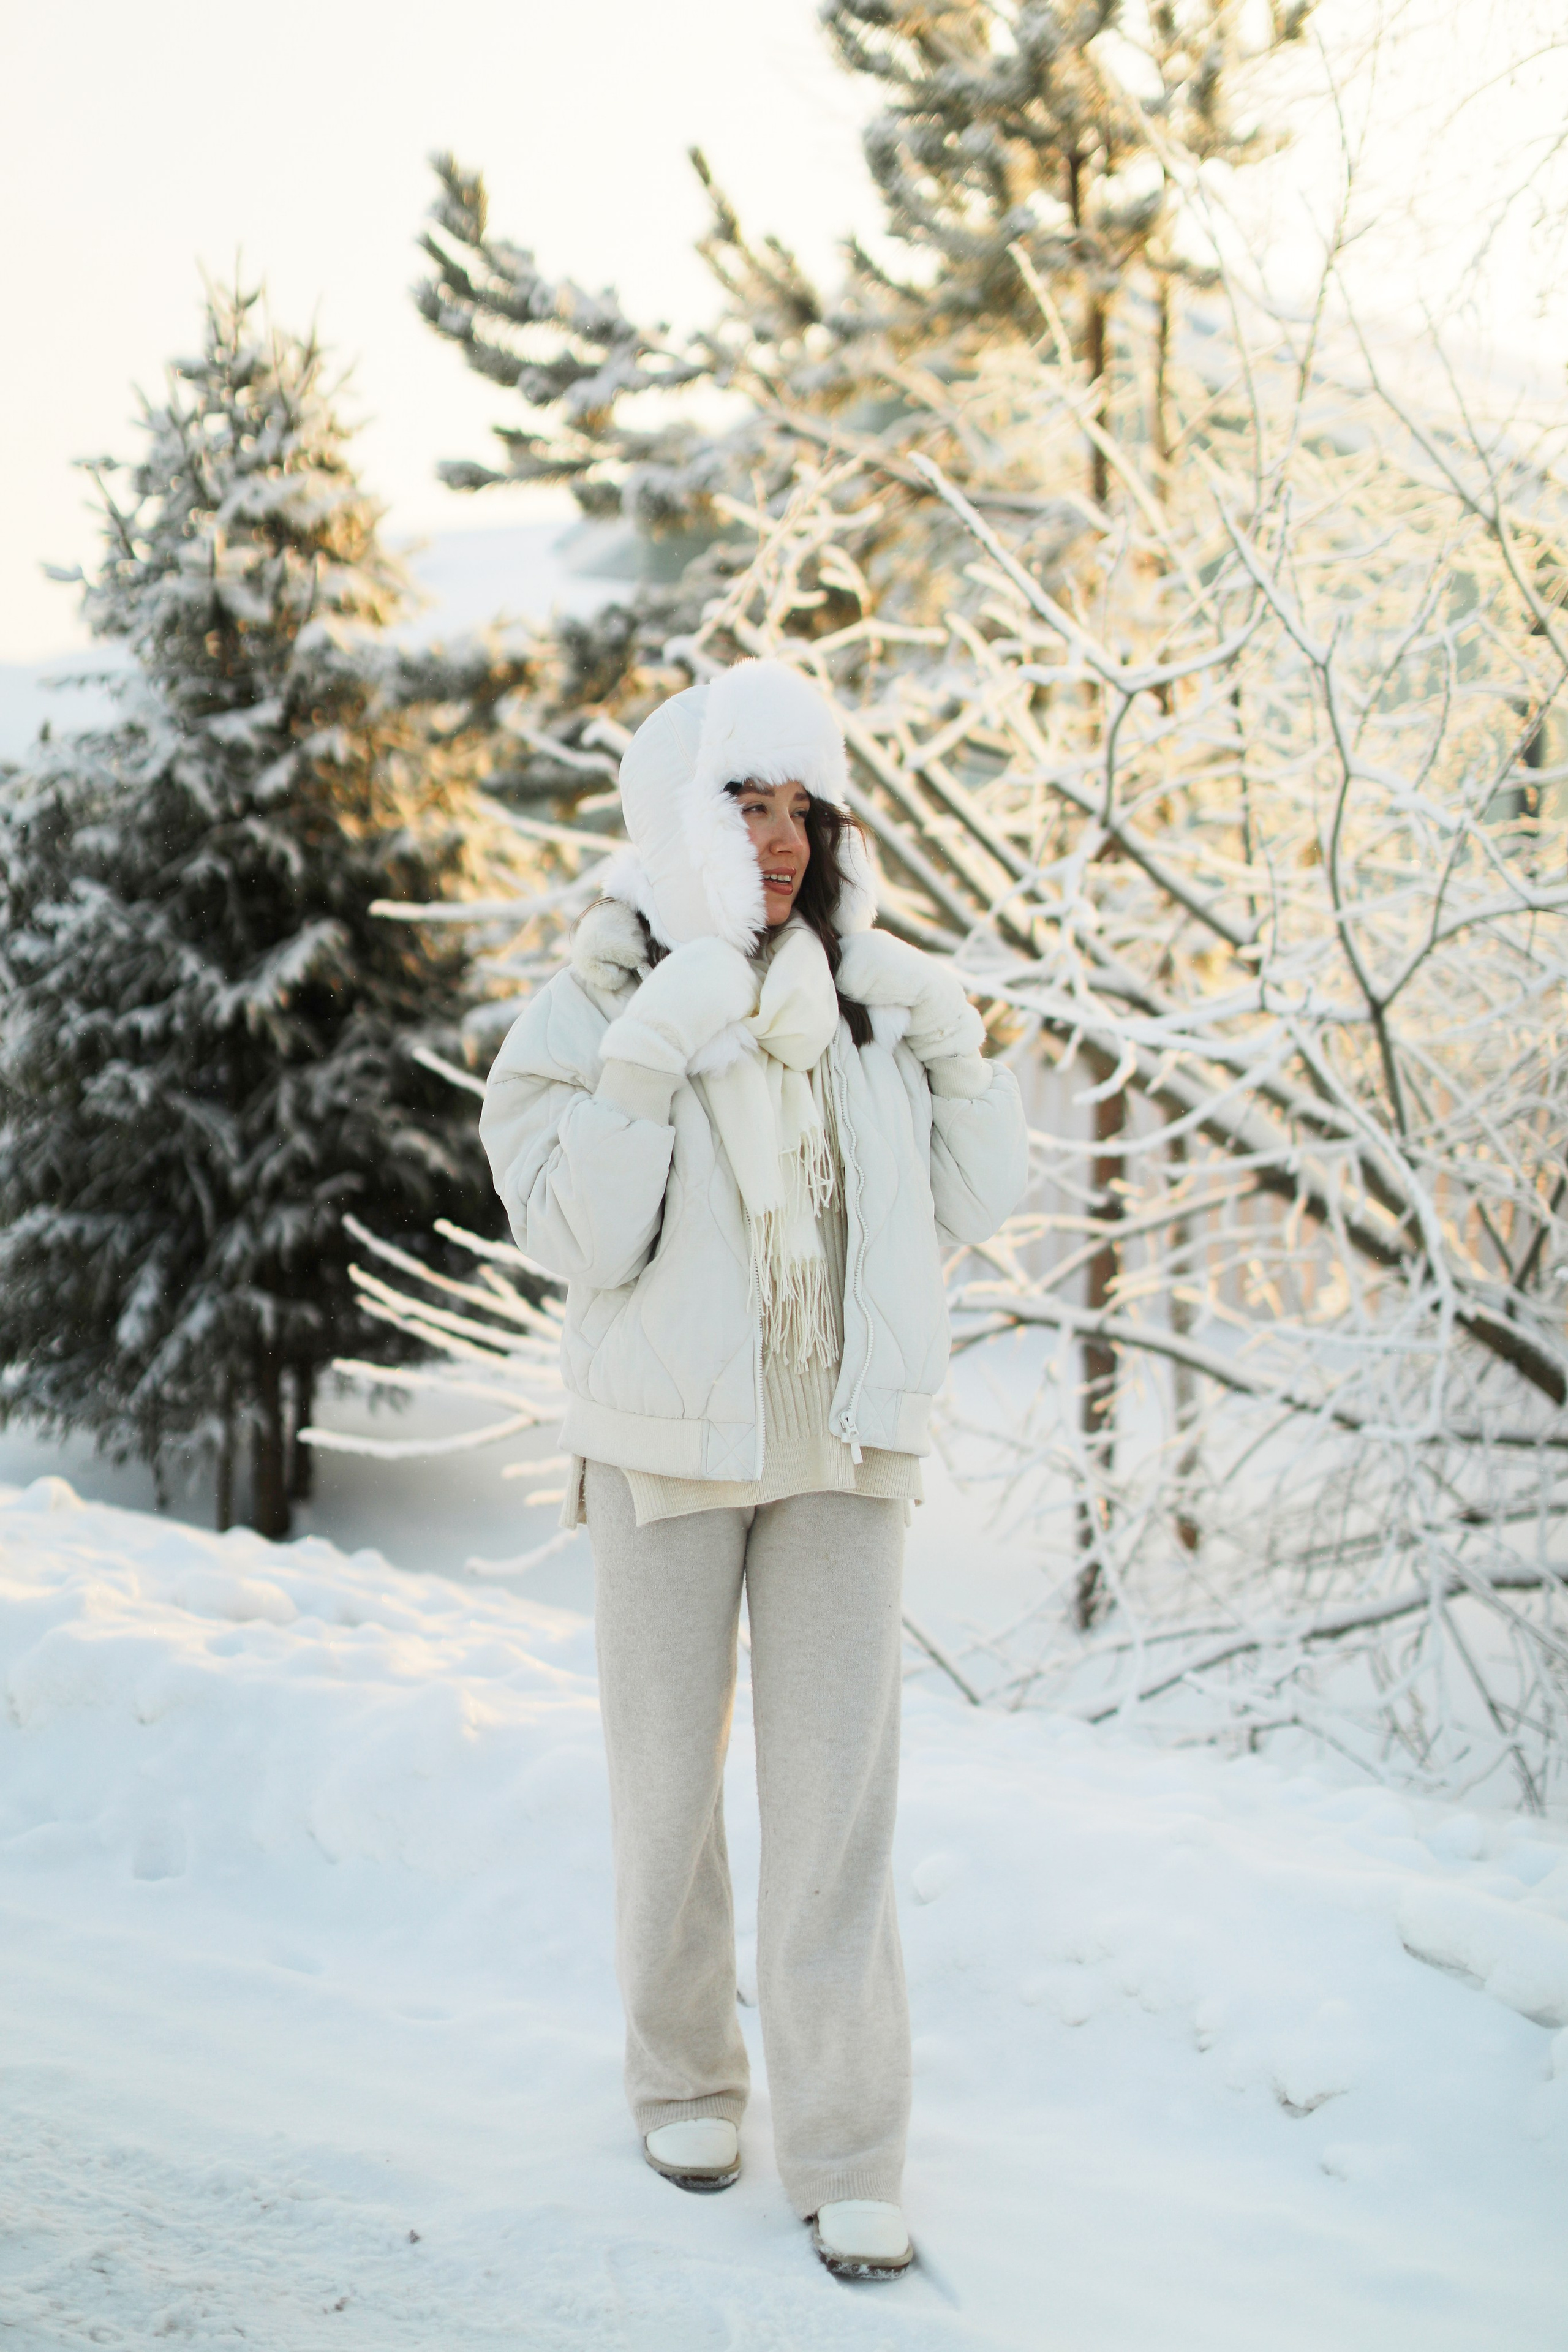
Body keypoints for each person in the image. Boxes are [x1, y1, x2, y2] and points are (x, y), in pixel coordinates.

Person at [480, 658, 1027, 2280]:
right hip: (665, 1455)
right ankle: (683, 2071)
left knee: (838, 1815)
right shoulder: (586, 1000)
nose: (777, 842)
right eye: (743, 804)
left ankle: (850, 2142)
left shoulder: (859, 993)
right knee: (666, 1791)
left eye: (798, 807)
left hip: (844, 1451)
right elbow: (578, 1234)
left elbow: (975, 1197)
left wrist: (952, 1036)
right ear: (674, 816)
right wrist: (650, 1053)